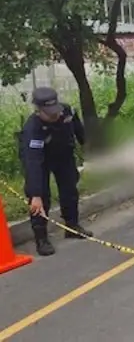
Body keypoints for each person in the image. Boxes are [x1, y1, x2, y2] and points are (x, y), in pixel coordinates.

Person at [21, 87, 92, 256]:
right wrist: (35, 194)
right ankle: (41, 239)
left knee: (70, 190)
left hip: (64, 155)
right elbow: (33, 163)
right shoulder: (33, 129)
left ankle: (72, 226)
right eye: (50, 113)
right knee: (41, 199)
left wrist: (87, 146)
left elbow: (78, 129)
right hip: (41, 161)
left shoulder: (67, 111)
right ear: (38, 111)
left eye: (56, 111)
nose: (56, 115)